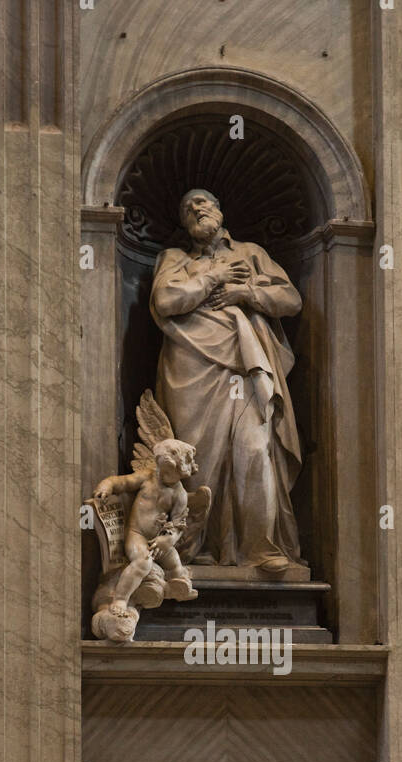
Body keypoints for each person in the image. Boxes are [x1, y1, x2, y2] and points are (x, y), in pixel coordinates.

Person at [150, 188, 305, 574]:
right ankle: (189, 550)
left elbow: (291, 299)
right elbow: (166, 302)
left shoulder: (250, 254)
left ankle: (259, 546)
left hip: (245, 367)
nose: (196, 209)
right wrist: (213, 277)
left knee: (254, 451)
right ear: (182, 225)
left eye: (203, 202)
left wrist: (246, 292)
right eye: (187, 208)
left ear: (219, 209)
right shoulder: (174, 258)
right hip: (192, 370)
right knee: (196, 461)